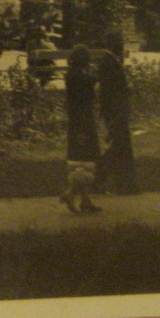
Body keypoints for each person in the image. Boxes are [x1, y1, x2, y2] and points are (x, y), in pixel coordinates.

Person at [94, 30, 138, 194]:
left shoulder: (111, 61)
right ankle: (98, 177)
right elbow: (110, 91)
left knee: (121, 146)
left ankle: (124, 184)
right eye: (120, 42)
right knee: (119, 146)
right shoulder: (108, 62)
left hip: (116, 110)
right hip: (116, 111)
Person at [61, 45, 101, 213]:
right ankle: (70, 193)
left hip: (76, 122)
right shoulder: (80, 78)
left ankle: (85, 199)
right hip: (83, 122)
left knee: (80, 161)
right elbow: (89, 91)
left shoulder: (72, 75)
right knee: (85, 160)